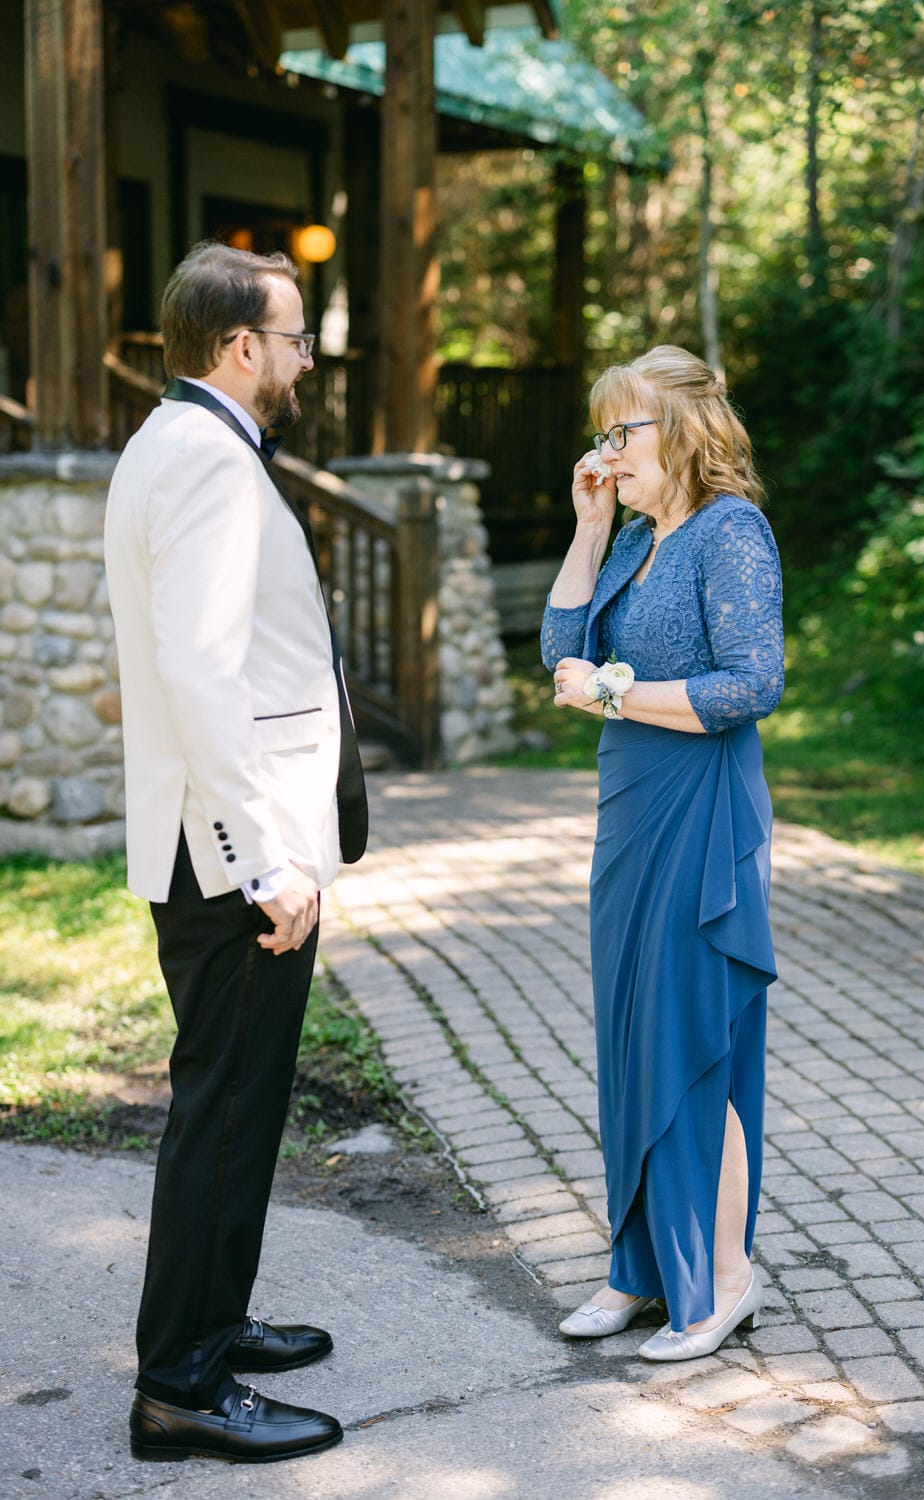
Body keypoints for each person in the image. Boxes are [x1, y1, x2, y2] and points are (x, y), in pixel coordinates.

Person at [104, 241, 368, 1461]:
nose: (307, 355)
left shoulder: (177, 444)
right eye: (296, 335)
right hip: (234, 859)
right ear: (238, 348)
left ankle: (215, 1321)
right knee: (223, 1110)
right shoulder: (207, 461)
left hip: (219, 841)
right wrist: (264, 857)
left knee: (242, 1106)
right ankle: (183, 1387)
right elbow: (203, 670)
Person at [541, 345, 783, 1361]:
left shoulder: (729, 532)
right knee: (634, 1039)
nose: (607, 450)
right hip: (628, 810)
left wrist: (610, 692)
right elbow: (558, 651)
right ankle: (636, 1271)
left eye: (620, 432)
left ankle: (723, 1279)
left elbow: (748, 686)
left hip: (701, 810)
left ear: (680, 428)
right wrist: (590, 527)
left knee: (693, 1044)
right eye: (602, 434)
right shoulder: (638, 537)